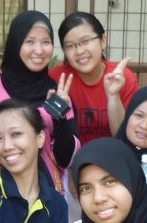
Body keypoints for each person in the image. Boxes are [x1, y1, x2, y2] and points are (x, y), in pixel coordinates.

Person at [0, 11, 80, 195]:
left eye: (46, 42)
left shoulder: (58, 94)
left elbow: (66, 160)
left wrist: (59, 117)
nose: (39, 50)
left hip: (47, 194)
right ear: (15, 44)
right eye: (30, 41)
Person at [51, 11, 138, 144]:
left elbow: (125, 138)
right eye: (70, 46)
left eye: (85, 41)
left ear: (103, 41)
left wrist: (113, 96)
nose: (79, 51)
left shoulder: (123, 78)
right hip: (71, 155)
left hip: (114, 153)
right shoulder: (56, 78)